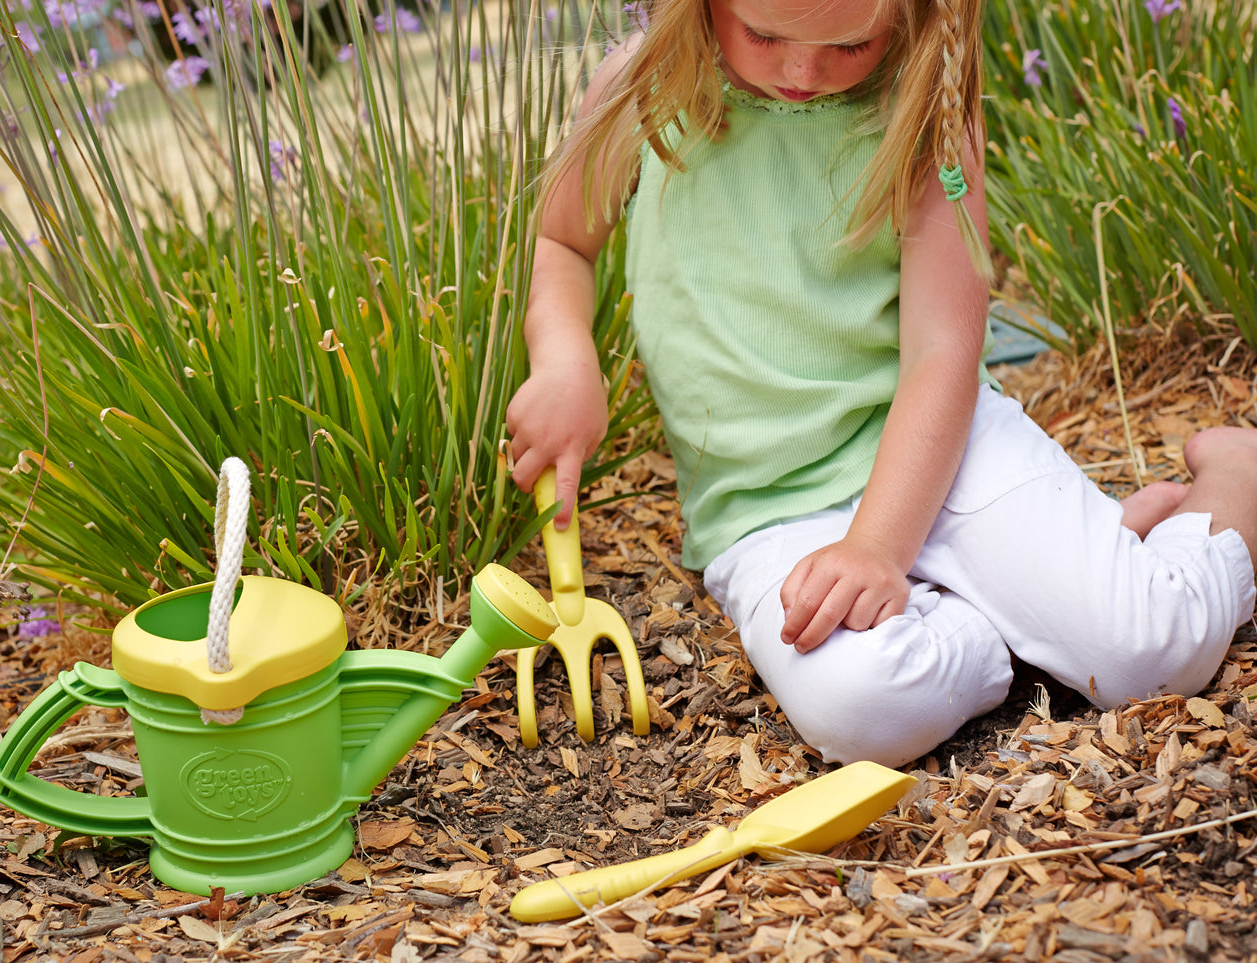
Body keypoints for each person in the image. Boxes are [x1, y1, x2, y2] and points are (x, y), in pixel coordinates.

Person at [504, 0, 1257, 767]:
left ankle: (1233, 476)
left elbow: (942, 351)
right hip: (767, 509)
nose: (802, 71)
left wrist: (876, 546)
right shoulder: (646, 88)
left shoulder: (921, 102)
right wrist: (564, 357)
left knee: (1153, 654)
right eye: (763, 35)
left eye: (849, 43)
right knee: (863, 710)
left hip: (944, 449)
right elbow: (563, 240)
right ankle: (1039, 599)